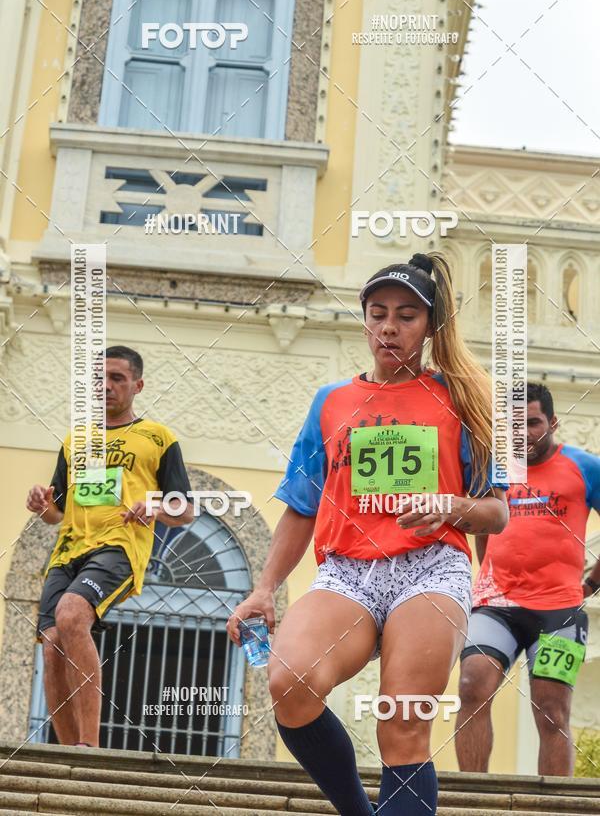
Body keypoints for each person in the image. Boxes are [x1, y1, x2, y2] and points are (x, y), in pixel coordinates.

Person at [226, 253, 508, 815]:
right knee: (289, 679)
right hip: (348, 571)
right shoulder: (331, 402)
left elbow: (497, 514)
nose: (389, 327)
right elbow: (302, 506)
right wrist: (263, 588)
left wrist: (453, 506)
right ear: (364, 320)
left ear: (430, 327)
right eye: (377, 313)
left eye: (406, 316)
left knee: (402, 722)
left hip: (432, 565)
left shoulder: (463, 398)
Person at [26, 345, 193, 748]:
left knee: (70, 615)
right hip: (67, 551)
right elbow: (58, 512)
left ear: (137, 384)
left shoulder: (158, 438)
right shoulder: (75, 440)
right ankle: (70, 756)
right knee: (51, 648)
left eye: (117, 378)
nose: (107, 386)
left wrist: (154, 505)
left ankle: (89, 746)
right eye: (100, 378)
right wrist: (42, 505)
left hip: (118, 548)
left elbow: (184, 510)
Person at [456, 382, 600, 776]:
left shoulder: (585, 467)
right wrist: (491, 577)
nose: (523, 435)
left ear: (552, 421)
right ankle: (469, 799)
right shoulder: (495, 469)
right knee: (471, 687)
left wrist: (591, 583)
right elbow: (484, 525)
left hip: (561, 613)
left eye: (533, 423)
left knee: (552, 711)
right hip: (496, 606)